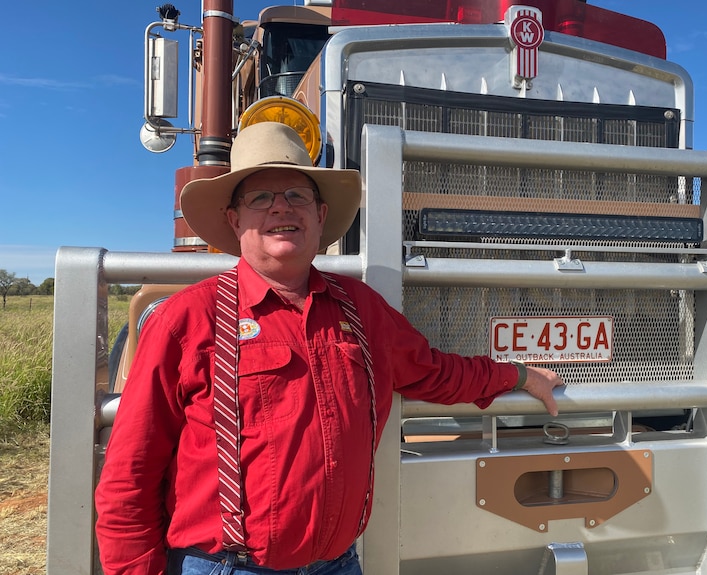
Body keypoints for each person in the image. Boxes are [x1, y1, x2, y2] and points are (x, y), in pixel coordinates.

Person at [94, 121, 564, 575]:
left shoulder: (363, 310)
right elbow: (129, 476)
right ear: (235, 220)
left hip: (339, 566)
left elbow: (435, 372)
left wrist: (518, 375)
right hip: (225, 568)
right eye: (261, 197)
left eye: (297, 195)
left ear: (320, 216)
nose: (282, 208)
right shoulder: (185, 320)